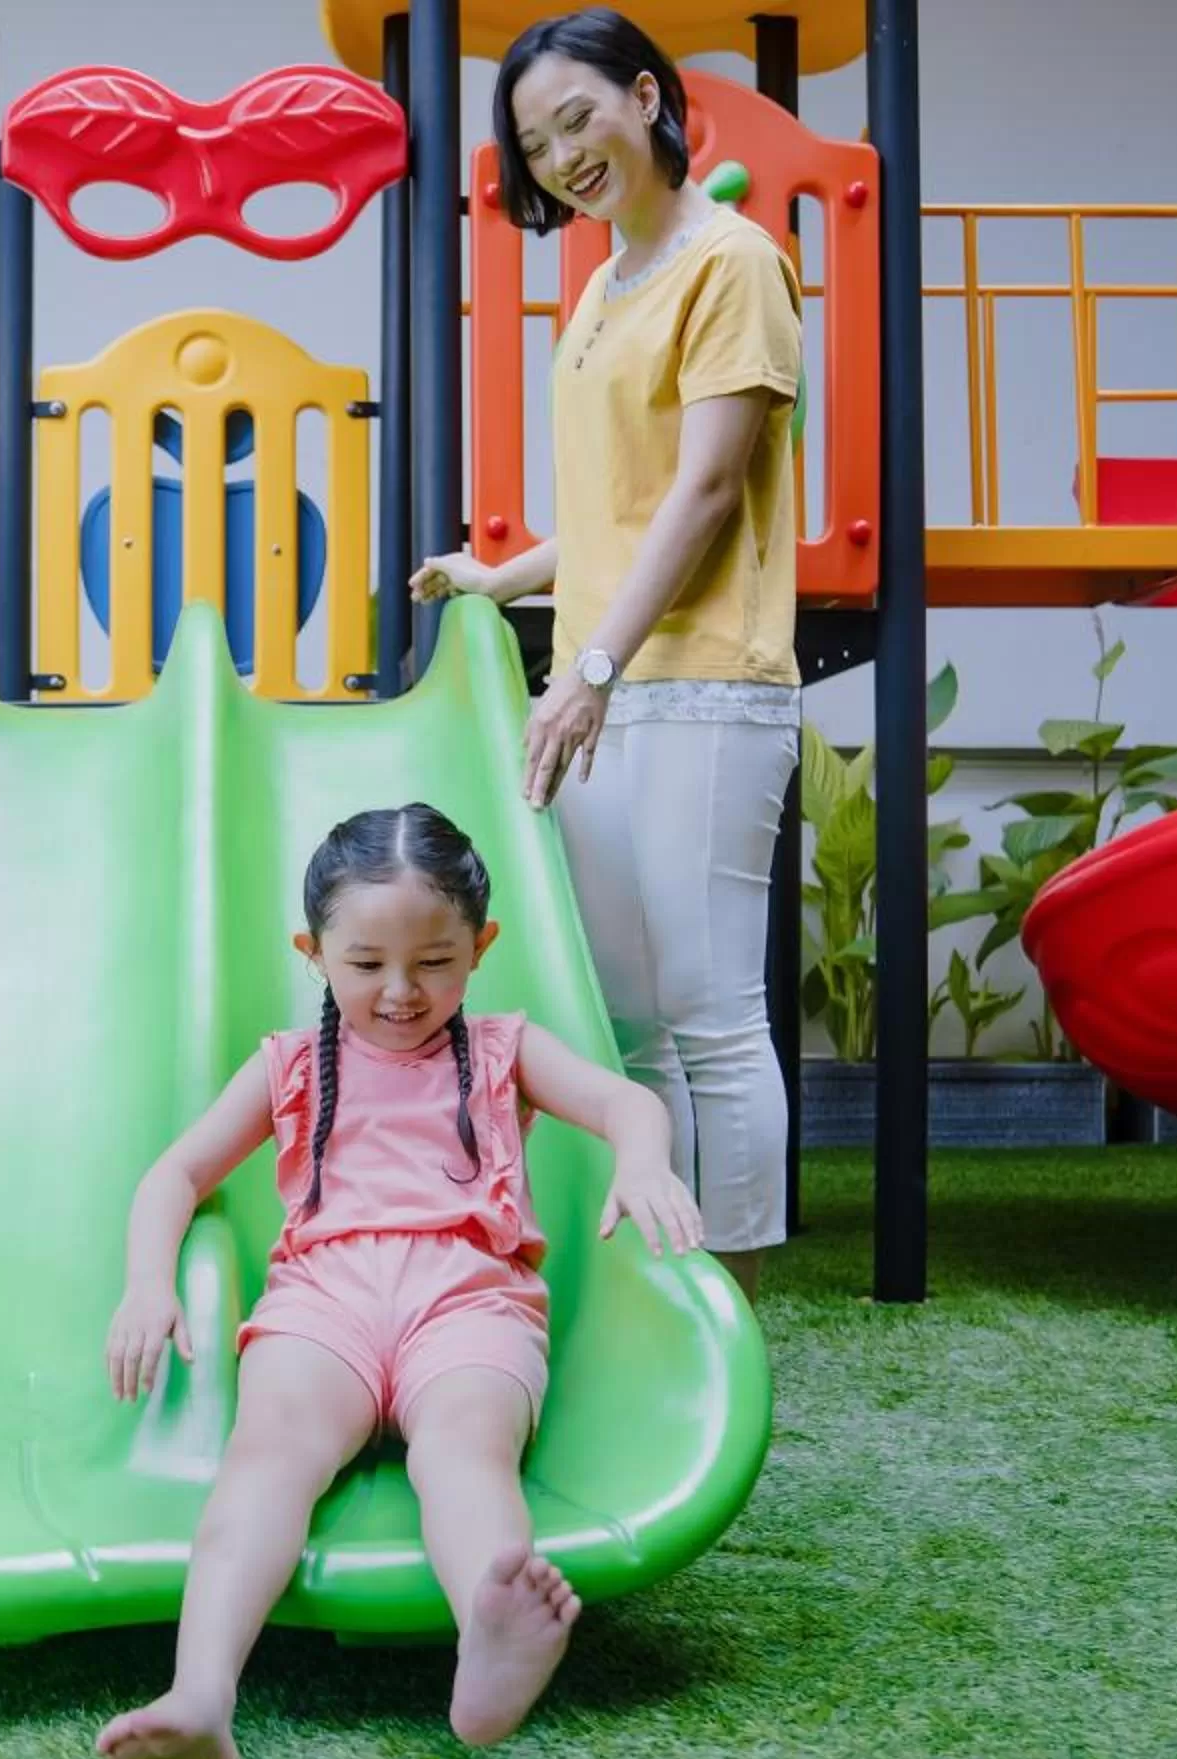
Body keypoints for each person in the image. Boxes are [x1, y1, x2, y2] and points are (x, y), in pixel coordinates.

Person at [94, 803, 705, 1759]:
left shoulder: (505, 1049)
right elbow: (175, 1174)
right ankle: (200, 1694)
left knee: (463, 1445)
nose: (400, 989)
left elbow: (626, 1100)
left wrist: (641, 1162)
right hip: (323, 1303)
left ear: (480, 947)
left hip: (469, 1304)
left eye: (435, 960)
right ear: (314, 951)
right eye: (366, 961)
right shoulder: (289, 1064)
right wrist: (146, 1284)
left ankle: (490, 1634)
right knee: (270, 1454)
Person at [412, 7, 805, 1300]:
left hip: (696, 686)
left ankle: (734, 1312)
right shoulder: (601, 285)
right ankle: (670, 1299)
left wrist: (590, 671)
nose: (564, 155)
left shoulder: (732, 262)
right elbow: (619, 510)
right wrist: (505, 575)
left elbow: (702, 493)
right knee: (632, 1026)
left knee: (712, 1017)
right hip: (604, 685)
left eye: (579, 117)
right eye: (536, 142)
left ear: (649, 99)